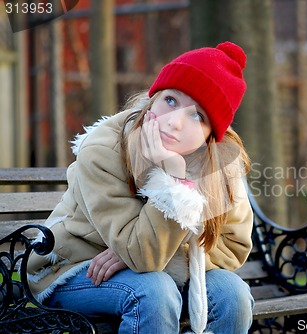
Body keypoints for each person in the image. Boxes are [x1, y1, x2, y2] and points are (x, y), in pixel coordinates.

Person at [27, 41, 254, 334]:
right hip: (74, 270)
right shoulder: (104, 149)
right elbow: (144, 257)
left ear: (212, 134)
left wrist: (144, 254)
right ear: (154, 96)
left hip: (155, 276)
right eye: (171, 100)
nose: (174, 123)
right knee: (153, 290)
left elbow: (233, 247)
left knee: (232, 293)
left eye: (197, 116)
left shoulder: (217, 166)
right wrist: (174, 182)